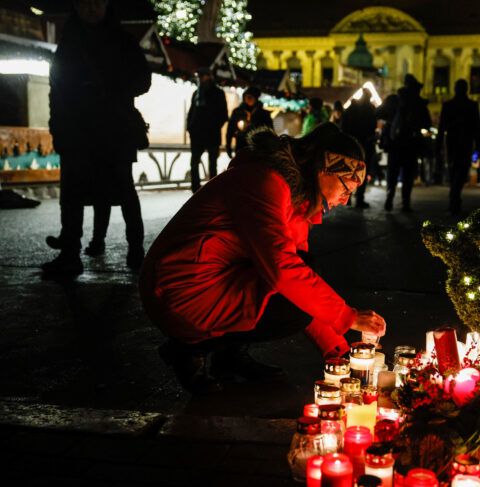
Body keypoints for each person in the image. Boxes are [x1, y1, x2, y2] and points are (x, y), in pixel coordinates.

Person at [139, 123, 387, 392]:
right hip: (180, 289)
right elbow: (282, 270)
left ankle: (229, 356)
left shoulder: (295, 200)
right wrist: (347, 317)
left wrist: (338, 351)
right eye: (345, 188)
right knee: (292, 301)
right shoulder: (264, 181)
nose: (344, 200)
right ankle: (187, 348)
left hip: (217, 280)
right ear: (324, 169)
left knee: (299, 274)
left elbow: (298, 276)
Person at [44, 0, 151, 275]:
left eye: (97, 3)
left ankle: (136, 249)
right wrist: (58, 127)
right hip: (78, 130)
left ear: (106, 6)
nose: (92, 8)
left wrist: (111, 84)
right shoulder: (70, 42)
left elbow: (143, 79)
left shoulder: (122, 41)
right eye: (85, 3)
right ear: (76, 7)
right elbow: (56, 88)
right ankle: (70, 254)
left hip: (114, 130)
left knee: (124, 191)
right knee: (72, 195)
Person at [383, 74, 431, 212]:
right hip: (411, 143)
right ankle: (405, 203)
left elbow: (381, 113)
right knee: (407, 176)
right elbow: (427, 123)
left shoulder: (395, 100)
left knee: (392, 174)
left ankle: (389, 198)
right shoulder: (419, 103)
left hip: (395, 143)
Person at [437, 79, 480, 214]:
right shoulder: (472, 105)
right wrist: (477, 147)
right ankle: (455, 199)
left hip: (454, 143)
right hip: (463, 144)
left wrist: (439, 145)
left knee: (456, 172)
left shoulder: (449, 105)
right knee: (459, 172)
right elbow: (477, 129)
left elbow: (441, 128)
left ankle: (454, 198)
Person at [187, 66, 228, 192]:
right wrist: (190, 127)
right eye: (199, 76)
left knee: (212, 164)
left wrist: (214, 126)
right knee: (195, 162)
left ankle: (212, 189)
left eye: (202, 76)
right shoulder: (197, 93)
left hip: (211, 133)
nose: (200, 78)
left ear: (209, 77)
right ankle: (196, 188)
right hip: (198, 133)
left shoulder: (217, 92)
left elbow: (223, 115)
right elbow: (192, 111)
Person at [341, 88, 377, 209]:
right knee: (362, 172)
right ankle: (359, 199)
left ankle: (348, 197)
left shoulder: (352, 108)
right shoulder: (370, 109)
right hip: (365, 145)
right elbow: (372, 128)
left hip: (352, 145)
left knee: (350, 171)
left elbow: (344, 126)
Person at [226, 86, 273, 157]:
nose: (247, 99)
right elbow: (230, 129)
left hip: (257, 147)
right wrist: (228, 146)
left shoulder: (263, 114)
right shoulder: (238, 112)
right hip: (241, 146)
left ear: (255, 98)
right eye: (246, 97)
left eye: (250, 97)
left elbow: (269, 131)